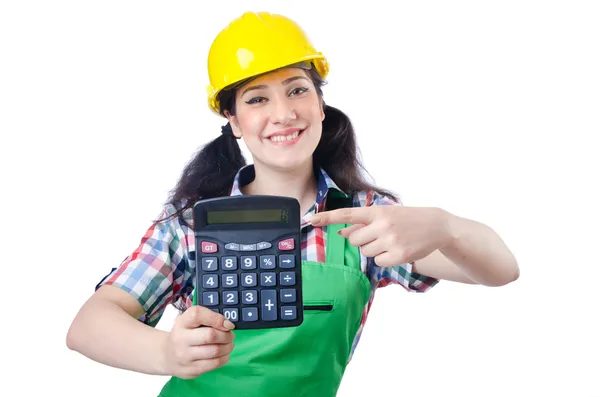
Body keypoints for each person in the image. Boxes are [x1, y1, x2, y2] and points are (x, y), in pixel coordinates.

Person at [66, 11, 520, 397]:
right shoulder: (190, 226)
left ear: (321, 103)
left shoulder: (365, 218)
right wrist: (165, 351)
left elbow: (500, 270)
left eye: (297, 89)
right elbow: (88, 327)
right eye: (257, 98)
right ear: (234, 121)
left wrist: (446, 227)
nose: (283, 113)